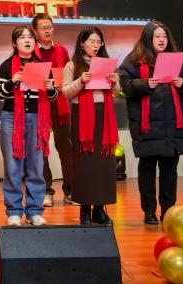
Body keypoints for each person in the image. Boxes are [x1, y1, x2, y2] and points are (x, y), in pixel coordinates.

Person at [118, 21, 183, 224]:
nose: (162, 40)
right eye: (157, 36)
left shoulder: (177, 60)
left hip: (172, 125)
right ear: (148, 38)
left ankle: (169, 210)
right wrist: (145, 84)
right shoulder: (134, 60)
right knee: (147, 171)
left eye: (164, 36)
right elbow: (123, 84)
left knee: (169, 171)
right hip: (146, 126)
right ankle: (149, 211)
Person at [0, 26, 53, 226]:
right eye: (22, 38)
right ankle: (14, 211)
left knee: (36, 166)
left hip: (37, 118)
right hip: (11, 118)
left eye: (30, 37)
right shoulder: (6, 65)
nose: (27, 41)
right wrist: (12, 82)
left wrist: (51, 88)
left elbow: (53, 96)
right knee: (13, 167)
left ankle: (35, 211)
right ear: (14, 43)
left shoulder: (43, 66)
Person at [61, 27, 120, 225]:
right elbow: (66, 93)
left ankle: (100, 209)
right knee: (84, 164)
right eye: (92, 41)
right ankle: (85, 209)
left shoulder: (106, 64)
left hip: (104, 117)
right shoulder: (72, 65)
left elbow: (116, 92)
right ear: (82, 43)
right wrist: (80, 81)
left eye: (98, 42)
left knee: (104, 164)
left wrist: (115, 82)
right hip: (82, 118)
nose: (95, 45)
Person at [32, 13, 75, 207]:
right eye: (43, 28)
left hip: (60, 104)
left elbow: (68, 76)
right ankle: (46, 191)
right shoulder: (31, 51)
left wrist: (61, 84)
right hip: (39, 105)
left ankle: (70, 190)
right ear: (35, 31)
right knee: (41, 149)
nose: (47, 30)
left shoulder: (62, 51)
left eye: (49, 27)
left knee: (66, 148)